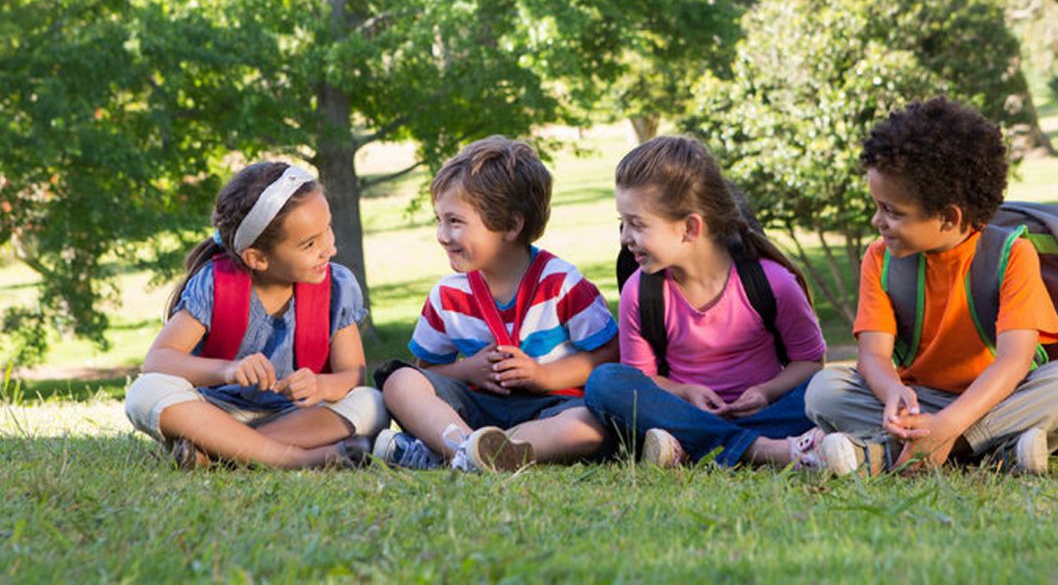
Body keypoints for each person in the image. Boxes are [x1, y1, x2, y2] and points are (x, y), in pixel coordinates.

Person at [805, 97, 1058, 477]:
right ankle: (998, 452)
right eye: (877, 206)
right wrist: (892, 392)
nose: (878, 221)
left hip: (998, 398)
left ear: (948, 217)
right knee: (824, 389)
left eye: (892, 211)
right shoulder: (880, 259)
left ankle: (886, 454)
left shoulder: (1013, 255)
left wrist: (948, 425)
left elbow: (1013, 362)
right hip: (921, 402)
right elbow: (873, 357)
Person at [373, 136, 619, 472]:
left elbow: (609, 355)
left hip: (551, 407)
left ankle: (484, 450)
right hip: (476, 406)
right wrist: (468, 369)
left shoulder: (562, 284)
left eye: (455, 222)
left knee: (589, 427)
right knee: (400, 382)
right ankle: (465, 447)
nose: (442, 235)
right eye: (439, 220)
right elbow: (428, 371)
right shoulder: (447, 296)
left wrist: (543, 375)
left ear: (511, 225)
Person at [584, 135, 828, 469]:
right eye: (622, 223)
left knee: (826, 388)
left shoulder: (772, 283)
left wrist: (767, 392)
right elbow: (641, 380)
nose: (625, 238)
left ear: (689, 227)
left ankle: (693, 446)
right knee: (604, 383)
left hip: (765, 412)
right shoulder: (640, 291)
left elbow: (811, 363)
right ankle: (762, 450)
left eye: (637, 224)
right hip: (683, 413)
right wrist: (684, 392)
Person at [124, 161, 388, 469]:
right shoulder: (215, 285)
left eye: (327, 229)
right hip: (216, 411)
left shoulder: (338, 287)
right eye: (309, 243)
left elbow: (352, 376)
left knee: (374, 402)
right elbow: (158, 361)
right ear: (258, 257)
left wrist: (319, 386)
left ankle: (221, 451)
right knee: (144, 392)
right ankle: (298, 459)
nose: (329, 248)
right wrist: (228, 371)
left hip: (298, 417)